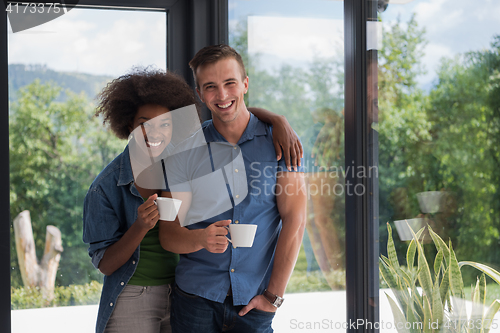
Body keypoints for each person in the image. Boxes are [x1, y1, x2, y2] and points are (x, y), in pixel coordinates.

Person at [82, 67, 303, 333]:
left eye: (165, 123)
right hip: (134, 293)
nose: (154, 132)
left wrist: (277, 120)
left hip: (181, 293)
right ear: (129, 123)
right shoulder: (105, 188)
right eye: (144, 123)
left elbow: (229, 113)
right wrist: (140, 226)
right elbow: (105, 264)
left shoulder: (182, 158)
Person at [159, 44, 307, 333]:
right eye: (211, 87)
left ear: (245, 84)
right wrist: (201, 238)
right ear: (200, 94)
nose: (223, 95)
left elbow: (296, 221)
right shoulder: (184, 150)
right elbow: (169, 235)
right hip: (195, 300)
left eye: (230, 83)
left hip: (255, 301)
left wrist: (273, 297)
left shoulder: (279, 143)